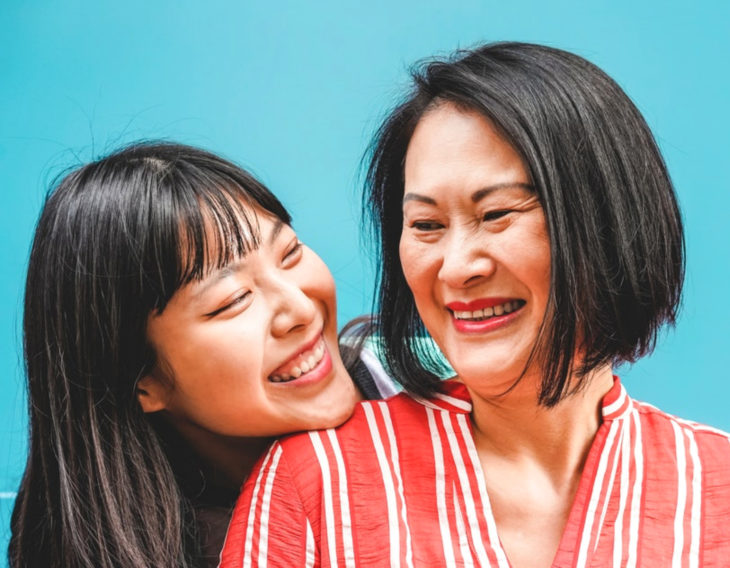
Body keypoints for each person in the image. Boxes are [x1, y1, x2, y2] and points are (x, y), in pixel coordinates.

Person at [221, 42, 730, 567]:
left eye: (496, 214)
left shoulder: (718, 484)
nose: (457, 266)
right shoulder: (316, 481)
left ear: (607, 221)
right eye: (426, 226)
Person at [8, 142, 395, 568]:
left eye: (290, 253)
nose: (301, 309)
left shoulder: (429, 377)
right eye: (232, 300)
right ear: (142, 380)